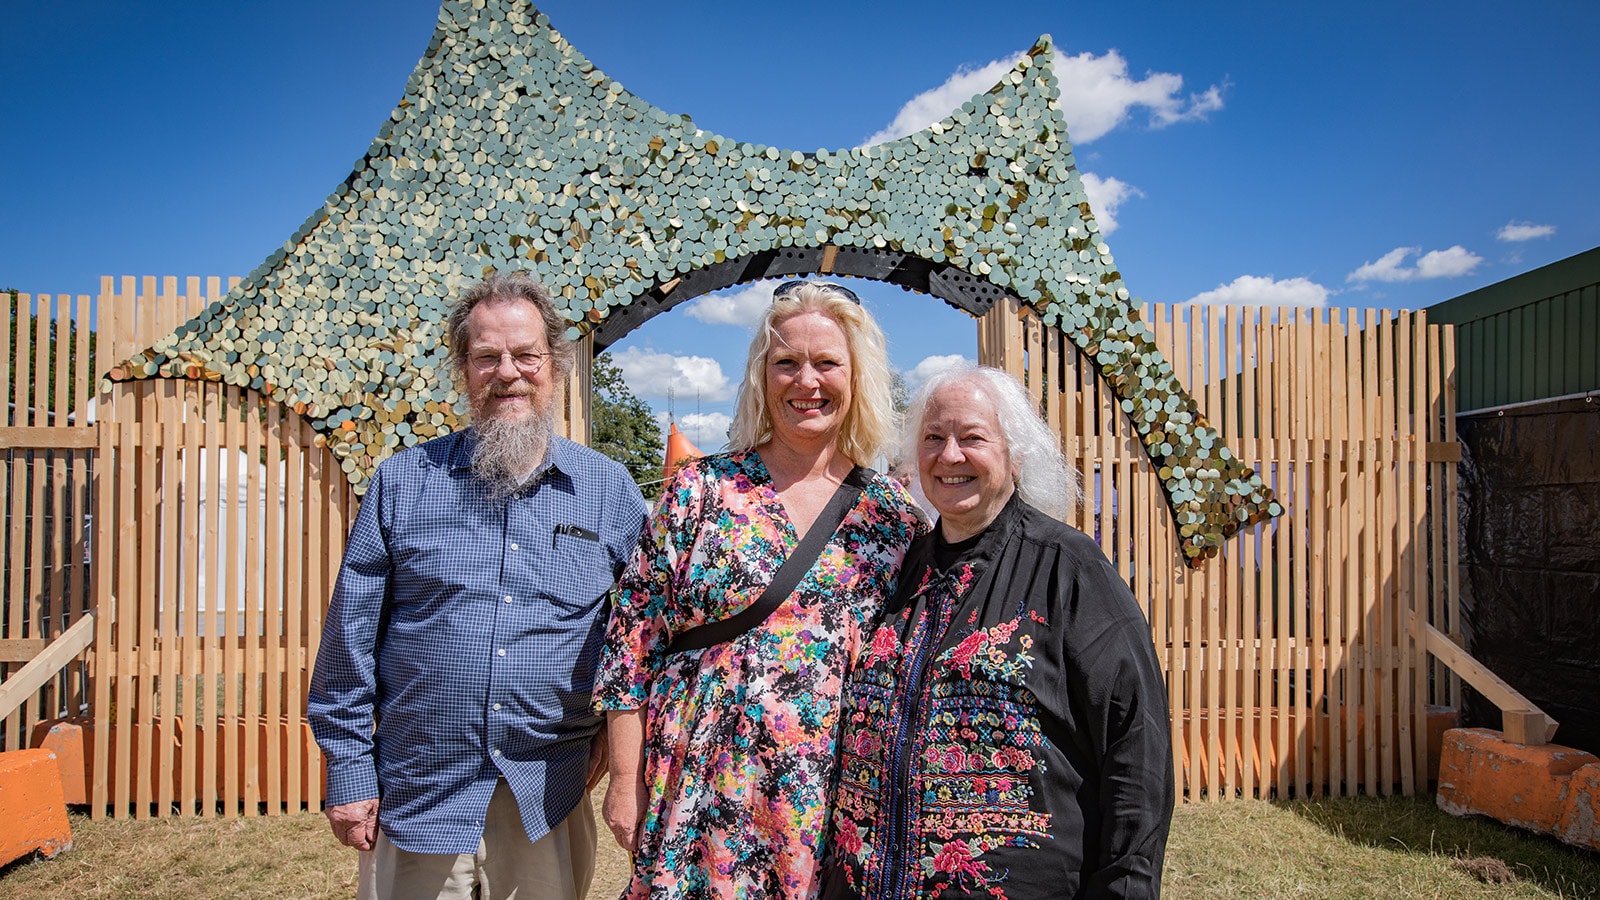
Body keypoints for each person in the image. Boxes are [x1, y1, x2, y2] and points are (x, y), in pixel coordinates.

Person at [308, 272, 649, 900]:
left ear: (556, 366)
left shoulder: (609, 492)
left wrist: (614, 741)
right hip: (420, 788)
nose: (508, 372)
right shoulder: (402, 483)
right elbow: (349, 640)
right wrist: (351, 771)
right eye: (487, 356)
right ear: (463, 368)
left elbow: (641, 635)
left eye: (526, 355)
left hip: (548, 786)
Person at [593, 281, 925, 899]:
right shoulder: (699, 490)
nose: (807, 381)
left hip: (832, 796)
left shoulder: (892, 517)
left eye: (827, 363)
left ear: (858, 378)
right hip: (701, 785)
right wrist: (621, 776)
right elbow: (632, 640)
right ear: (760, 376)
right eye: (786, 363)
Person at [822, 363, 1174, 900]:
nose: (950, 456)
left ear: (1016, 452)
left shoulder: (1069, 568)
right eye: (933, 438)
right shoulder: (898, 568)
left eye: (973, 438)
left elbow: (1135, 745)